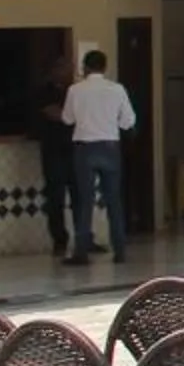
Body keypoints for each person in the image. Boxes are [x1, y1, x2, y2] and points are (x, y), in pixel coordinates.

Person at [61, 47, 137, 266]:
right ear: (105, 67)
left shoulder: (75, 90)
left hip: (84, 149)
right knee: (114, 200)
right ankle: (120, 250)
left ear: (85, 67)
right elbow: (128, 121)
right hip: (110, 148)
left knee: (85, 201)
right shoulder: (117, 89)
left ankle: (81, 252)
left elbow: (67, 119)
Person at [32, 55, 74, 258]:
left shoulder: (73, 91)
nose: (66, 73)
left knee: (80, 196)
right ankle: (59, 240)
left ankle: (85, 239)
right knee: (55, 197)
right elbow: (56, 114)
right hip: (53, 150)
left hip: (73, 150)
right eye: (63, 69)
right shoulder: (44, 92)